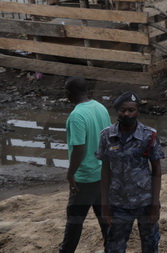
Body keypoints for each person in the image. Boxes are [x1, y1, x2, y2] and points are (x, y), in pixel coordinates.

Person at [97, 92, 164, 253]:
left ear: (138, 111)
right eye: (122, 110)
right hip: (118, 203)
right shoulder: (107, 135)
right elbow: (105, 171)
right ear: (117, 111)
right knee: (114, 246)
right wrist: (105, 205)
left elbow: (157, 171)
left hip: (145, 202)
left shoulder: (149, 135)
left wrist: (155, 205)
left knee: (150, 245)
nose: (126, 114)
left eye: (131, 110)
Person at [59, 76, 112, 253]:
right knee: (105, 218)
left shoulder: (76, 116)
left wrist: (70, 174)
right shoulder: (100, 107)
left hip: (85, 177)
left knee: (74, 221)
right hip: (103, 173)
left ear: (68, 93)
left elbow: (79, 149)